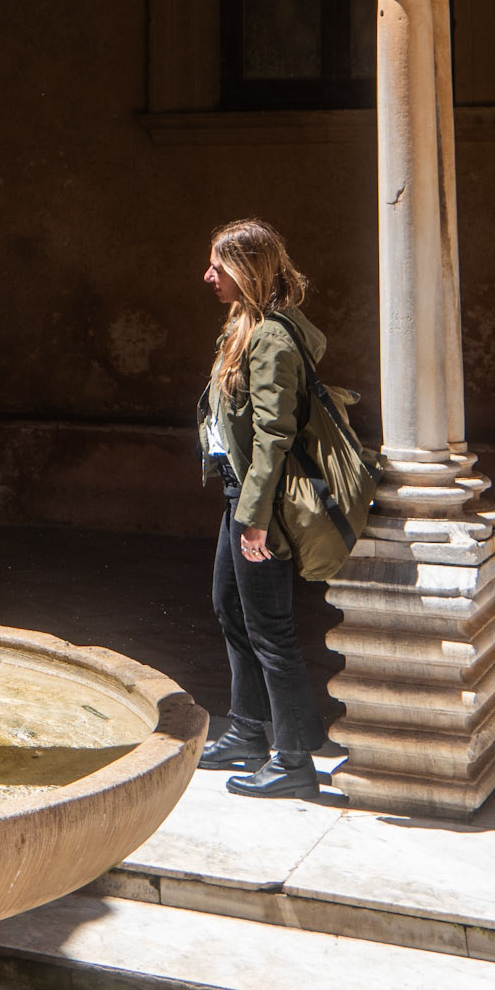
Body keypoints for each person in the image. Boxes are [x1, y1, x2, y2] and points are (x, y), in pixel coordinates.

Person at [196, 217, 326, 801]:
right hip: (239, 494)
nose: (208, 276)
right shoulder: (244, 327)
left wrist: (255, 518)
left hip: (258, 502)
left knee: (271, 629)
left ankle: (294, 759)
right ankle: (247, 732)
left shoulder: (271, 338)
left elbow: (274, 436)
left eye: (217, 267)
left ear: (246, 270)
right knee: (230, 607)